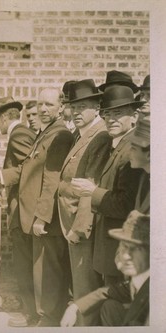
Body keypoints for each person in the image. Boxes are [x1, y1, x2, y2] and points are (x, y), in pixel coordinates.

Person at [1, 88, 74, 326]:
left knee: (49, 271)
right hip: (33, 215)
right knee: (41, 269)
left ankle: (49, 319)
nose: (43, 110)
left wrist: (42, 216)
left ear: (61, 108)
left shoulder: (60, 135)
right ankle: (42, 316)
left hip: (46, 217)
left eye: (49, 105)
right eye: (40, 104)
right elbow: (31, 169)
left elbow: (52, 178)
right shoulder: (45, 133)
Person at [71, 86, 144, 286]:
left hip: (121, 247)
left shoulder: (132, 150)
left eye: (118, 113)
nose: (111, 119)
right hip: (111, 247)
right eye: (107, 114)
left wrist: (93, 192)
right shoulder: (119, 144)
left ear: (135, 115)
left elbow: (126, 204)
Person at [57, 79, 112, 326]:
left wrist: (78, 229)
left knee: (85, 290)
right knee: (79, 288)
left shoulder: (98, 136)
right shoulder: (84, 134)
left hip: (82, 228)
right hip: (72, 223)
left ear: (97, 107)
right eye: (73, 107)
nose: (76, 112)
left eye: (83, 107)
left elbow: (90, 186)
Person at [0, 96, 36, 326]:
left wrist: (3, 176)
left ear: (6, 117)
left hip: (24, 210)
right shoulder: (22, 133)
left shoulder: (19, 134)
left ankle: (31, 314)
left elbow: (32, 166)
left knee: (24, 262)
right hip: (23, 209)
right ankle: (32, 310)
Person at [60, 211, 149, 327]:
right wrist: (75, 307)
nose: (126, 256)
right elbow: (109, 291)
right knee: (110, 306)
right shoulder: (138, 281)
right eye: (124, 247)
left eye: (136, 249)